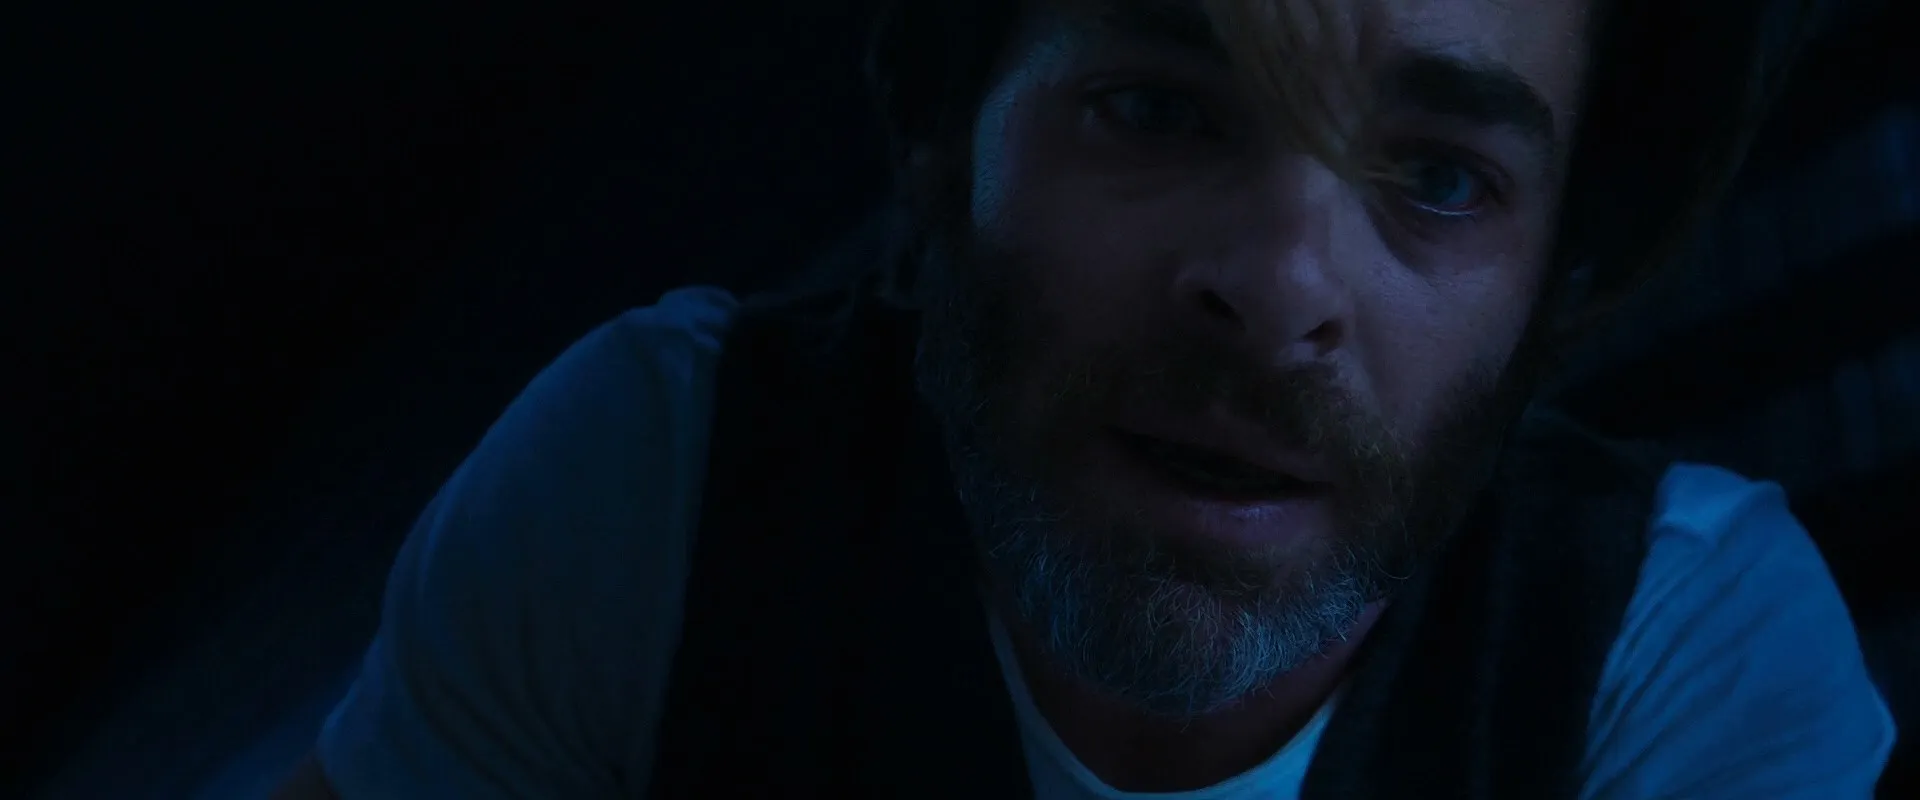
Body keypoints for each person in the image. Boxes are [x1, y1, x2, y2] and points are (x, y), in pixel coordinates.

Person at [276, 0, 1897, 797]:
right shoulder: (663, 489)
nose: (1280, 287)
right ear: (945, 133)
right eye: (1156, 109)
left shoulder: (1674, 657)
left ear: (1558, 277)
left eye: (1439, 178)